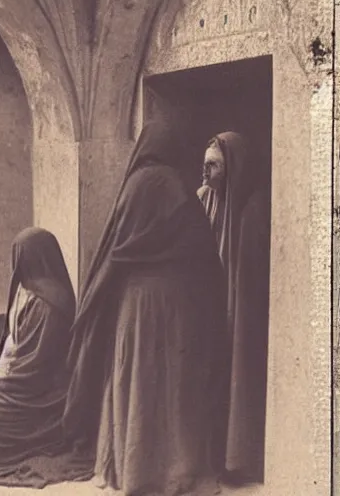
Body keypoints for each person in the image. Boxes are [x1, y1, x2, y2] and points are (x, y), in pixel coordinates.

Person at [63, 121, 230, 496]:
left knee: (135, 376)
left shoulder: (133, 185)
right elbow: (202, 252)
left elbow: (115, 247)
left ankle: (131, 469)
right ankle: (177, 470)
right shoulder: (177, 186)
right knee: (173, 383)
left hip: (133, 302)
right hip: (175, 302)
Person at [0, 227, 88, 488]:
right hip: (14, 382)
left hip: (41, 395)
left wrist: (0, 385)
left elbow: (37, 368)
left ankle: (42, 437)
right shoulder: (27, 292)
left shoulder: (50, 305)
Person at [198, 132, 271, 484]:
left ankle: (237, 460)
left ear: (233, 169)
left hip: (239, 308)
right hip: (208, 300)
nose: (205, 173)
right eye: (204, 164)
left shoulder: (254, 209)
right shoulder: (203, 199)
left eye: (213, 166)